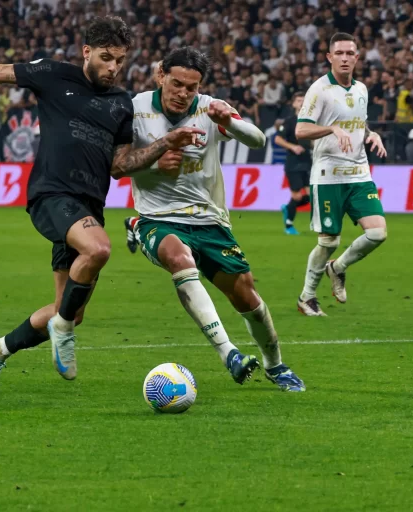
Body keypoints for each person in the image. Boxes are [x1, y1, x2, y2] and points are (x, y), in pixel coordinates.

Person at [0, 16, 203, 392]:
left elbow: (120, 166)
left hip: (87, 210)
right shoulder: (53, 74)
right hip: (51, 195)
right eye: (106, 58)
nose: (114, 67)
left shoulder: (120, 104)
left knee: (69, 308)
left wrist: (165, 143)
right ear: (87, 52)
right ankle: (62, 332)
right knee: (99, 249)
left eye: (120, 60)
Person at [123, 48, 305, 392]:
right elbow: (116, 164)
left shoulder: (209, 108)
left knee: (247, 297)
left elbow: (258, 139)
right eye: (176, 83)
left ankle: (276, 365)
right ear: (160, 74)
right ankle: (229, 354)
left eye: (191, 87)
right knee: (179, 258)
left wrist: (230, 122)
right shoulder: (135, 109)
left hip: (209, 221)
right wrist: (153, 163)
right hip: (159, 217)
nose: (183, 93)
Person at [294, 32, 388, 317]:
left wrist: (374, 135)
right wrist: (332, 129)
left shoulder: (361, 89)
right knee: (329, 241)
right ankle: (307, 297)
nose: (345, 58)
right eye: (340, 53)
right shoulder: (319, 89)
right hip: (328, 175)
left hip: (359, 173)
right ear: (330, 57)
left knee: (377, 233)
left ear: (357, 58)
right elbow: (301, 130)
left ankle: (339, 267)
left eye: (350, 53)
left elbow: (360, 124)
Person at [274, 92, 312, 235]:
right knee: (296, 196)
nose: (301, 103)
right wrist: (293, 147)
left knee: (312, 197)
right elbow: (278, 139)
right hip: (293, 164)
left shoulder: (310, 122)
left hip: (308, 162)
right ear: (294, 104)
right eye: (299, 101)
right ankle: (289, 224)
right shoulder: (289, 121)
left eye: (304, 101)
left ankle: (288, 207)